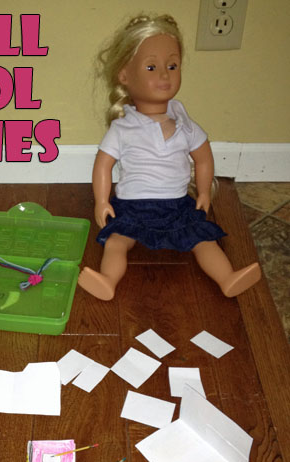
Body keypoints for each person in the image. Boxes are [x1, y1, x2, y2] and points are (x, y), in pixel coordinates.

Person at [78, 14, 261, 301]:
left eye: (172, 66)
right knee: (116, 242)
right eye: (151, 67)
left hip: (177, 204)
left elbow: (203, 157)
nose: (164, 75)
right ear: (125, 76)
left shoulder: (184, 122)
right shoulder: (123, 127)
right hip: (133, 205)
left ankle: (227, 278)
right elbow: (103, 164)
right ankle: (108, 280)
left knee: (204, 240)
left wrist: (204, 192)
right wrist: (102, 201)